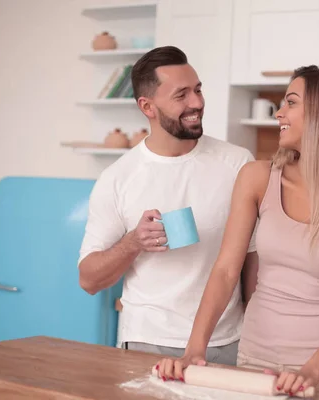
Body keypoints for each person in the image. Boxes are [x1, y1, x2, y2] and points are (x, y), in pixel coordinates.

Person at [155, 65, 319, 395]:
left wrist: (311, 371)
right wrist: (194, 349)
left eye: (291, 102)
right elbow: (227, 271)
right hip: (254, 360)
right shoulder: (257, 178)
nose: (279, 112)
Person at [77, 46, 259, 367]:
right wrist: (134, 242)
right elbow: (89, 280)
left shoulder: (237, 163)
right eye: (182, 95)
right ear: (147, 106)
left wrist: (256, 332)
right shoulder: (118, 178)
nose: (197, 103)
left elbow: (253, 261)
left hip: (228, 341)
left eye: (199, 90)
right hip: (150, 342)